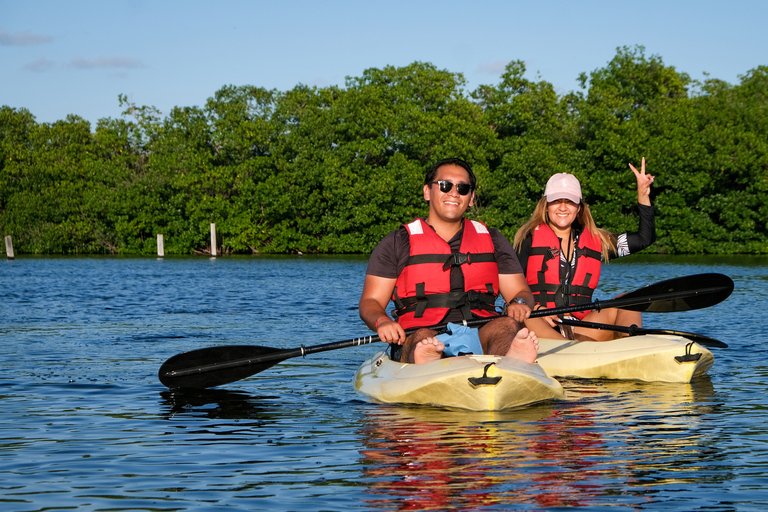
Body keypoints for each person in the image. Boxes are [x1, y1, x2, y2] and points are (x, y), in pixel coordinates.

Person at [359, 158, 539, 365]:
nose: (454, 193)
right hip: (419, 331)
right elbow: (370, 302)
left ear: (471, 198)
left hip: (480, 330)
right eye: (445, 186)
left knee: (506, 326)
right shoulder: (397, 242)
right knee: (423, 337)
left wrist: (520, 303)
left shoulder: (493, 240)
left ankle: (512, 360)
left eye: (463, 188)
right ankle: (428, 358)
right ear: (427, 192)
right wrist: (382, 322)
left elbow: (520, 292)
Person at [513, 158, 656, 341]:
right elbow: (509, 286)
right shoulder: (528, 239)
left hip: (581, 327)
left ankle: (632, 347)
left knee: (626, 300)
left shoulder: (598, 241)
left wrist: (643, 194)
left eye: (570, 202)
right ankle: (570, 352)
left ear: (579, 207)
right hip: (540, 324)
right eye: (556, 201)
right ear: (546, 205)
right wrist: (536, 309)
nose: (563, 207)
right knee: (522, 314)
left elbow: (645, 238)